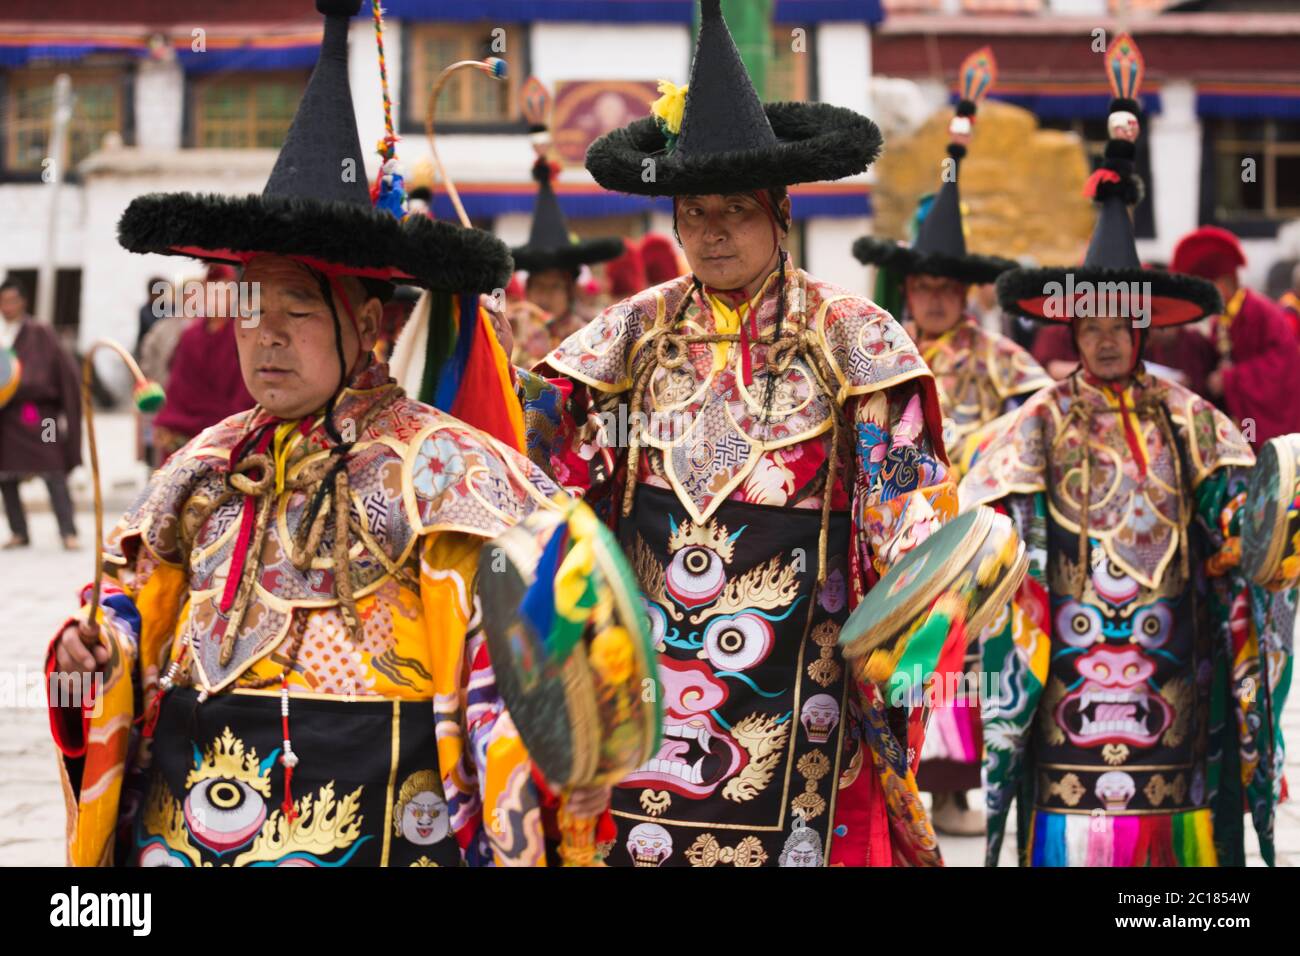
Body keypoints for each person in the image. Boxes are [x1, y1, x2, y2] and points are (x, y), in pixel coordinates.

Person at [43, 0, 619, 868]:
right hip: (190, 819)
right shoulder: (201, 470)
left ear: (373, 323)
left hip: (381, 819)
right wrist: (98, 645)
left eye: (298, 309)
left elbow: (540, 662)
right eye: (249, 308)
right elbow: (133, 611)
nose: (265, 335)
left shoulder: (457, 475)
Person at [537, 0, 965, 866]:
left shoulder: (857, 338)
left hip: (804, 661)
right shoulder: (626, 333)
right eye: (694, 212)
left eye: (735, 208)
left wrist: (930, 588)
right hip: (649, 657)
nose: (712, 230)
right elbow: (548, 489)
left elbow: (910, 513)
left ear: (779, 212)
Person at [963, 35, 1290, 866]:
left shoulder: (1191, 419)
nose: (1106, 341)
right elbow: (989, 531)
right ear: (1071, 327)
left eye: (1121, 326)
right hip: (1068, 651)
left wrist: (1253, 534)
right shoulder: (1030, 423)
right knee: (1066, 811)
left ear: (1142, 328)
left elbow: (1241, 518)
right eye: (1091, 326)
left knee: (1175, 825)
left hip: (1169, 657)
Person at [852, 47, 1051, 834]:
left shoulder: (1005, 362)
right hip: (900, 534)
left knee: (966, 661)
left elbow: (1042, 420)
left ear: (965, 291)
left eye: (945, 286)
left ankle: (961, 792)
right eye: (922, 285)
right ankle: (906, 786)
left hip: (973, 540)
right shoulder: (883, 356)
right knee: (897, 661)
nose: (932, 298)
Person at [1170, 225, 1300, 446]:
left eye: (1205, 288)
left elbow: (1284, 364)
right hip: (1241, 416)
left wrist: (1231, 380)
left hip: (1271, 420)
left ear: (1221, 284)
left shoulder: (1258, 311)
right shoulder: (1221, 319)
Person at [0, 276, 81, 550]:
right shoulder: (2, 333)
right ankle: (19, 531)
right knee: (5, 474)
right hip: (8, 416)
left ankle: (68, 532)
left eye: (12, 300)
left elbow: (64, 370)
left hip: (41, 414)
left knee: (53, 465)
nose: (7, 306)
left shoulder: (40, 332)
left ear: (22, 302)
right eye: (3, 301)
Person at [149, 264, 255, 466]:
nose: (218, 299)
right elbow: (178, 386)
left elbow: (247, 391)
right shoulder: (191, 336)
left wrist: (229, 429)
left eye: (224, 292)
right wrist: (167, 420)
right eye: (212, 292)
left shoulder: (243, 334)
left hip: (229, 428)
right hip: (186, 426)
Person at [512, 151, 623, 345]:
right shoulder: (511, 335)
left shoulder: (590, 337)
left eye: (554, 286)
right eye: (538, 285)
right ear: (527, 289)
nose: (545, 296)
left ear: (570, 290)